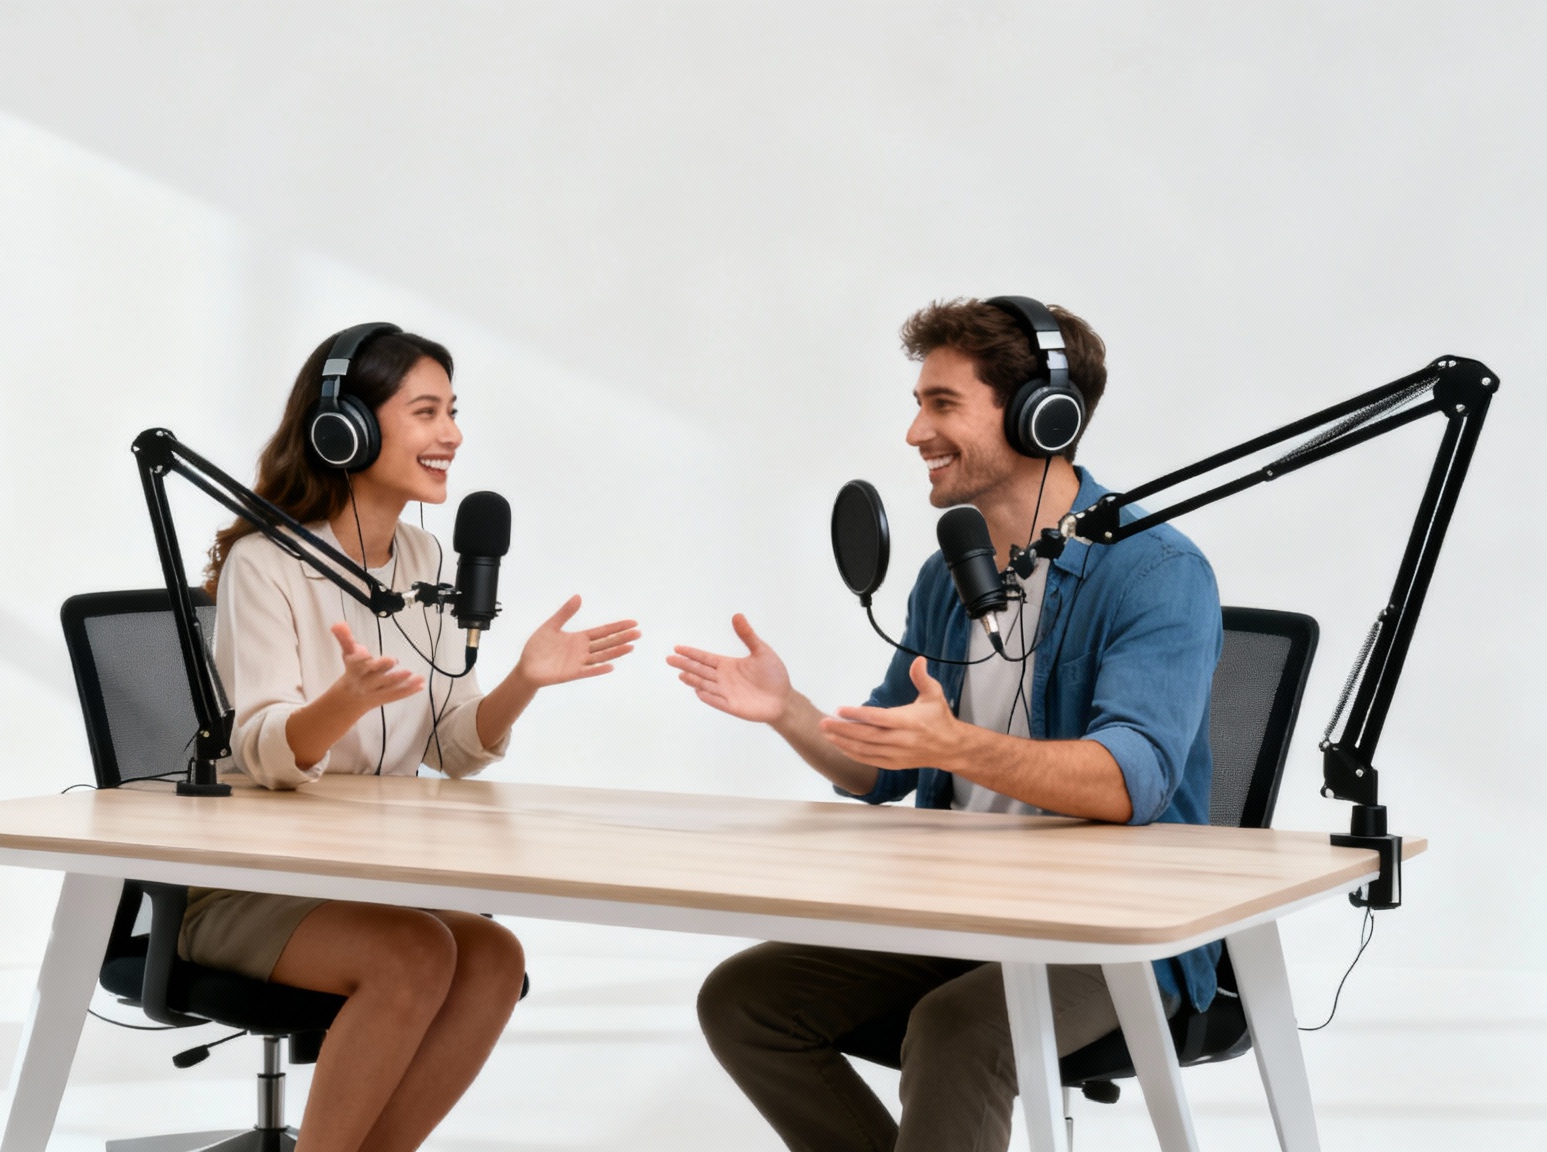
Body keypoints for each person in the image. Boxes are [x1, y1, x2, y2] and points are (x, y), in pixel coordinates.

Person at [668, 297, 1222, 1152]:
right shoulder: (948, 571)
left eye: (942, 404)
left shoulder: (1154, 570)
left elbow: (1130, 782)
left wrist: (959, 746)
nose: (914, 432)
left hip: (1114, 934)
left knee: (960, 1029)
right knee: (748, 1001)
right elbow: (884, 768)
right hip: (965, 911)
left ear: (1043, 416)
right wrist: (789, 711)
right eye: (918, 403)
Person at [198, 323, 640, 1152]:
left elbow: (453, 747)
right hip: (248, 883)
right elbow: (263, 750)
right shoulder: (268, 562)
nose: (452, 436)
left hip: (359, 875)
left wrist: (523, 680)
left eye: (453, 412)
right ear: (345, 428)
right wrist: (342, 702)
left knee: (495, 955)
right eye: (426, 412)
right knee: (411, 951)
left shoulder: (424, 556)